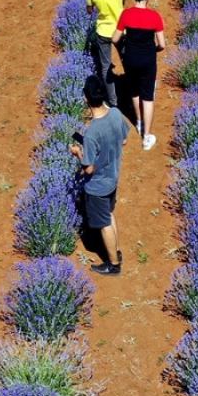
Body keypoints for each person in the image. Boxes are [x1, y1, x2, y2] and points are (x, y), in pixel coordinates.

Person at [70, 76, 129, 275]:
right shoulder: (115, 114)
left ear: (86, 99)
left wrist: (78, 152)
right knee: (109, 215)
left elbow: (88, 169)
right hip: (113, 177)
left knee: (103, 223)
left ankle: (113, 264)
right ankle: (116, 252)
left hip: (98, 185)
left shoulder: (93, 131)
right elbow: (123, 141)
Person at [112, 0, 165, 151]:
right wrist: (153, 50)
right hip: (148, 60)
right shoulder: (155, 17)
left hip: (131, 59)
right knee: (147, 96)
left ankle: (139, 122)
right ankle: (146, 137)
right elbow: (162, 44)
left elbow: (115, 38)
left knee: (134, 91)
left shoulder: (126, 15)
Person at [85, 0, 125, 107]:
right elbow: (122, 2)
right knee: (126, 59)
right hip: (120, 29)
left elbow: (90, 10)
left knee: (105, 67)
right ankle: (133, 90)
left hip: (103, 31)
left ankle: (113, 102)